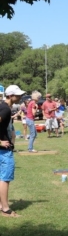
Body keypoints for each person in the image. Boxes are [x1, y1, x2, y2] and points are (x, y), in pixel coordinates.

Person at [0, 85, 25, 217]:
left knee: (1, 178)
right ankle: (6, 209)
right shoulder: (5, 109)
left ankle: (1, 205)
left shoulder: (3, 107)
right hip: (3, 151)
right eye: (18, 95)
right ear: (10, 96)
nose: (20, 97)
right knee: (5, 179)